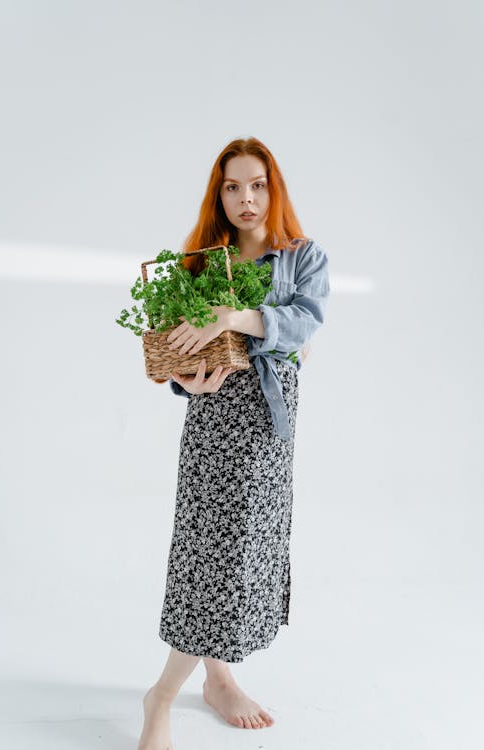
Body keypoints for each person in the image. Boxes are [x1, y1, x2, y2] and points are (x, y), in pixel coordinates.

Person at [137, 136, 330, 750]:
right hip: (213, 423)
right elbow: (177, 353)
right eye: (232, 187)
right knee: (207, 553)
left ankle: (217, 678)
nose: (246, 198)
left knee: (242, 553)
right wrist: (186, 379)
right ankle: (162, 696)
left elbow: (305, 322)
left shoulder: (301, 257)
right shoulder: (202, 263)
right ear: (218, 196)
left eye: (257, 184)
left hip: (268, 427)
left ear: (274, 190)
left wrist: (234, 318)